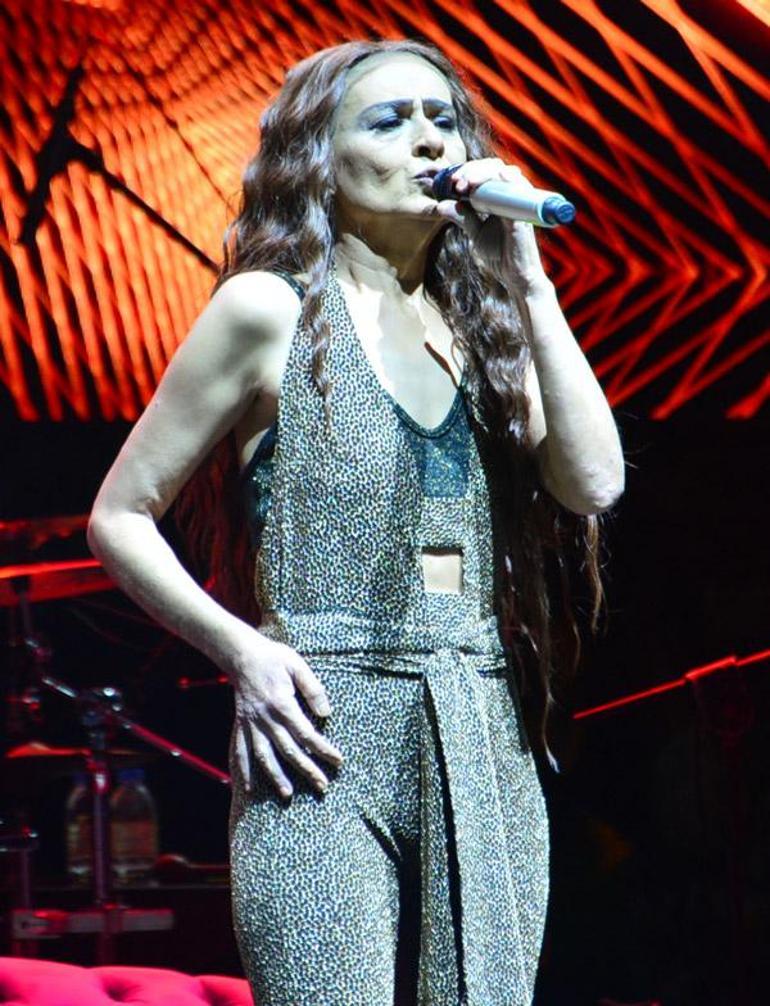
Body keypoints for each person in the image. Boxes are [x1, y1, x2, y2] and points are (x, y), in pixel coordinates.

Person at [86, 37, 624, 1006]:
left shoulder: (484, 323)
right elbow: (120, 515)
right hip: (320, 722)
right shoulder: (268, 309)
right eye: (388, 121)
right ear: (320, 160)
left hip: (477, 709)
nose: (429, 141)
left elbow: (591, 482)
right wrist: (244, 653)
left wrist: (529, 286)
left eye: (442, 119)